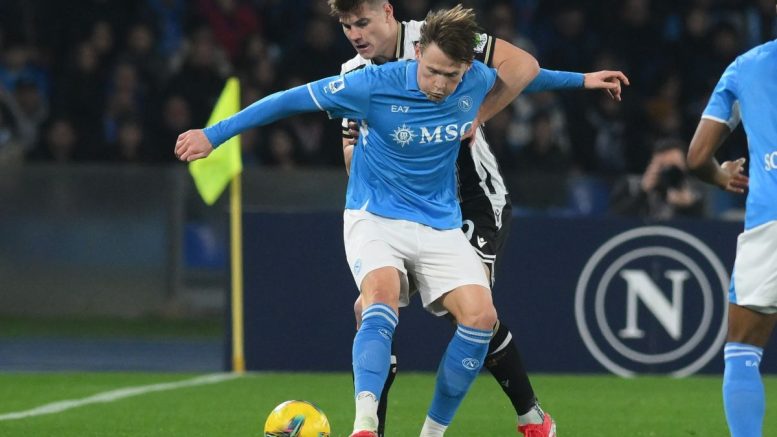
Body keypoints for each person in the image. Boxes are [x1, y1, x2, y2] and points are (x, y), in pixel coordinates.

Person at [175, 5, 540, 436]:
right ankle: (366, 426)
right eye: (433, 72)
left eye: (452, 76)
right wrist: (214, 134)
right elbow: (287, 101)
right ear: (418, 54)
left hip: (442, 219)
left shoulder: (468, 73)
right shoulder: (367, 82)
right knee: (376, 299)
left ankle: (438, 433)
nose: (442, 85)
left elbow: (533, 72)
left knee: (480, 318)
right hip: (377, 215)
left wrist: (578, 82)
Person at [328, 0, 630, 435]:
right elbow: (350, 152)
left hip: (474, 200)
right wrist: (371, 162)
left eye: (363, 22)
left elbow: (519, 68)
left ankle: (532, 418)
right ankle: (372, 427)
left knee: (472, 315)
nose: (356, 34)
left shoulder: (436, 37)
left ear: (387, 12)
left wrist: (483, 112)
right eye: (346, 26)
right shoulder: (352, 74)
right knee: (370, 308)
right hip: (404, 208)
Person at [686, 27, 776, 437]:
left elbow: (697, 158)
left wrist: (721, 177)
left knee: (743, 349)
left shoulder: (746, 67)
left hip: (770, 220)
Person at [610, 137, 705, 219]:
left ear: (684, 166)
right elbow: (614, 221)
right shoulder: (630, 185)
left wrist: (689, 207)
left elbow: (706, 227)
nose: (669, 171)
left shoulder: (696, 190)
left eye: (674, 167)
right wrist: (642, 192)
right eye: (663, 166)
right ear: (652, 165)